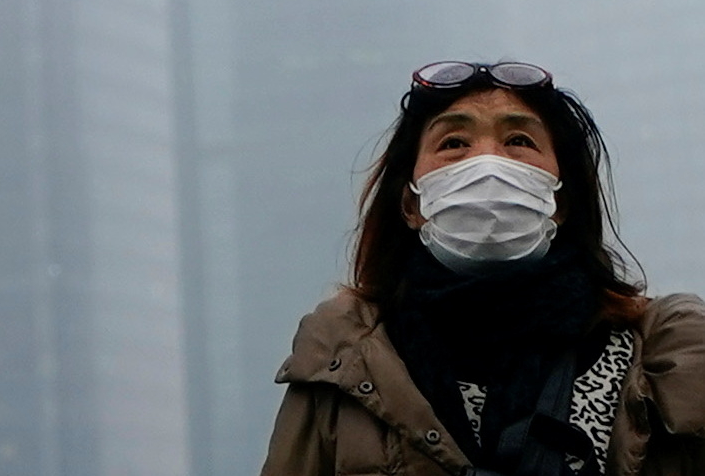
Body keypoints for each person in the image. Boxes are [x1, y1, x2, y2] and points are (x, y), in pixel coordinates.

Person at [259, 61, 705, 476]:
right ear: (411, 204)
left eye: (519, 141)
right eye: (453, 143)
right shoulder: (341, 364)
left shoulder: (658, 355)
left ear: (561, 202)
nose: (486, 163)